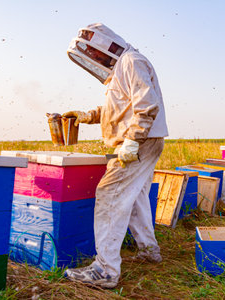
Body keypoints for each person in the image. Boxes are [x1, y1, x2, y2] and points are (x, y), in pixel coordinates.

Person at [62, 23, 168, 288]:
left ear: (106, 44)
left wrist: (132, 142)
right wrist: (86, 116)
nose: (94, 57)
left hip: (139, 143)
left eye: (94, 51)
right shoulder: (119, 70)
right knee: (135, 197)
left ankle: (105, 270)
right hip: (144, 141)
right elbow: (118, 109)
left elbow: (147, 104)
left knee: (110, 196)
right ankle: (148, 250)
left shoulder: (132, 61)